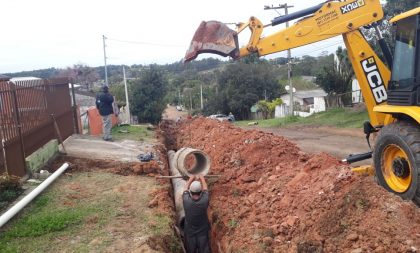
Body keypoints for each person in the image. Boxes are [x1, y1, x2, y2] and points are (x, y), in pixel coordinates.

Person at [182, 175, 211, 253]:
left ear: (190, 191)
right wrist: (202, 178)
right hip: (203, 232)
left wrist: (191, 179)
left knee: (190, 250)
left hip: (190, 232)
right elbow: (205, 188)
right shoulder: (204, 200)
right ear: (200, 191)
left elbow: (185, 189)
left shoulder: (186, 200)